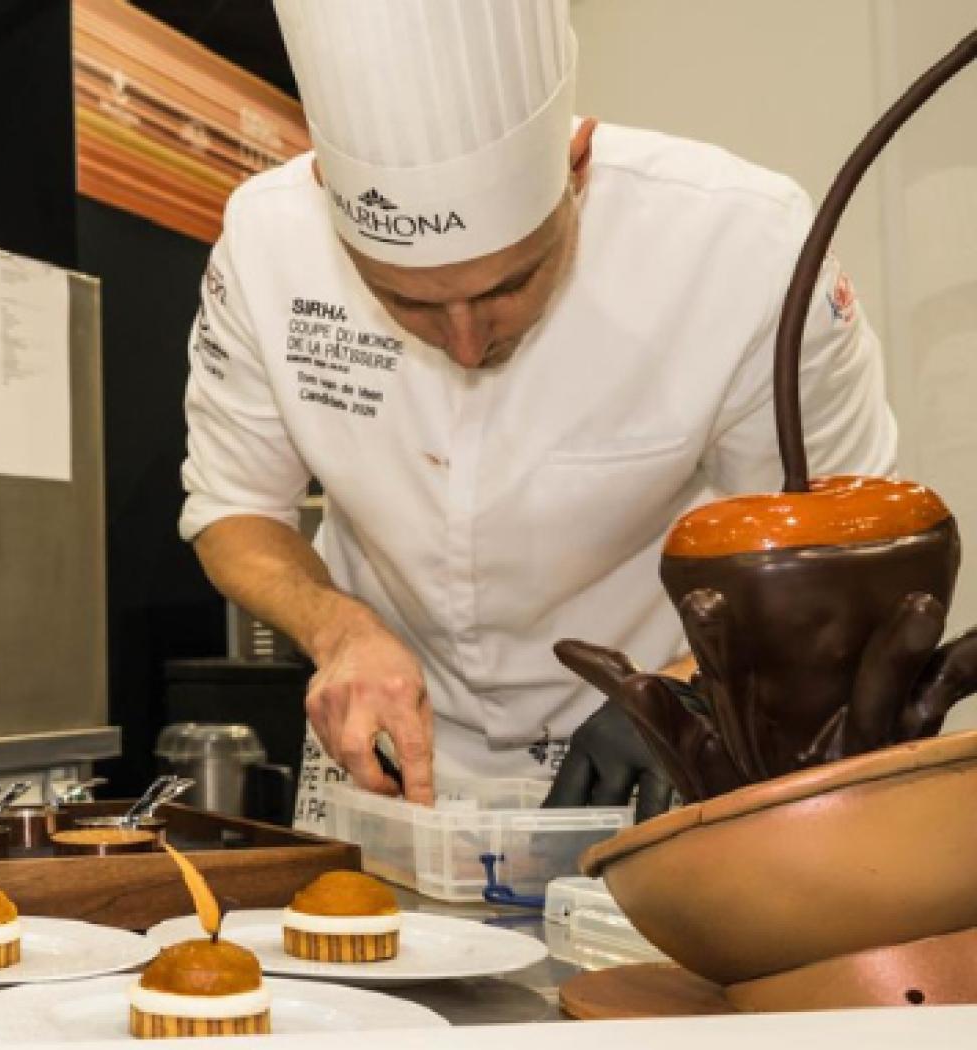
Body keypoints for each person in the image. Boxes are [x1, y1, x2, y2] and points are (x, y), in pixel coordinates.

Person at [182, 0, 896, 823]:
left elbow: (841, 548)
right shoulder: (266, 242)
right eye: (404, 300)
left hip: (655, 756)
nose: (465, 343)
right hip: (388, 777)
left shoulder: (749, 250)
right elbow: (234, 509)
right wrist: (337, 628)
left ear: (576, 164)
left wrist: (685, 694)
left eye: (510, 284)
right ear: (321, 191)